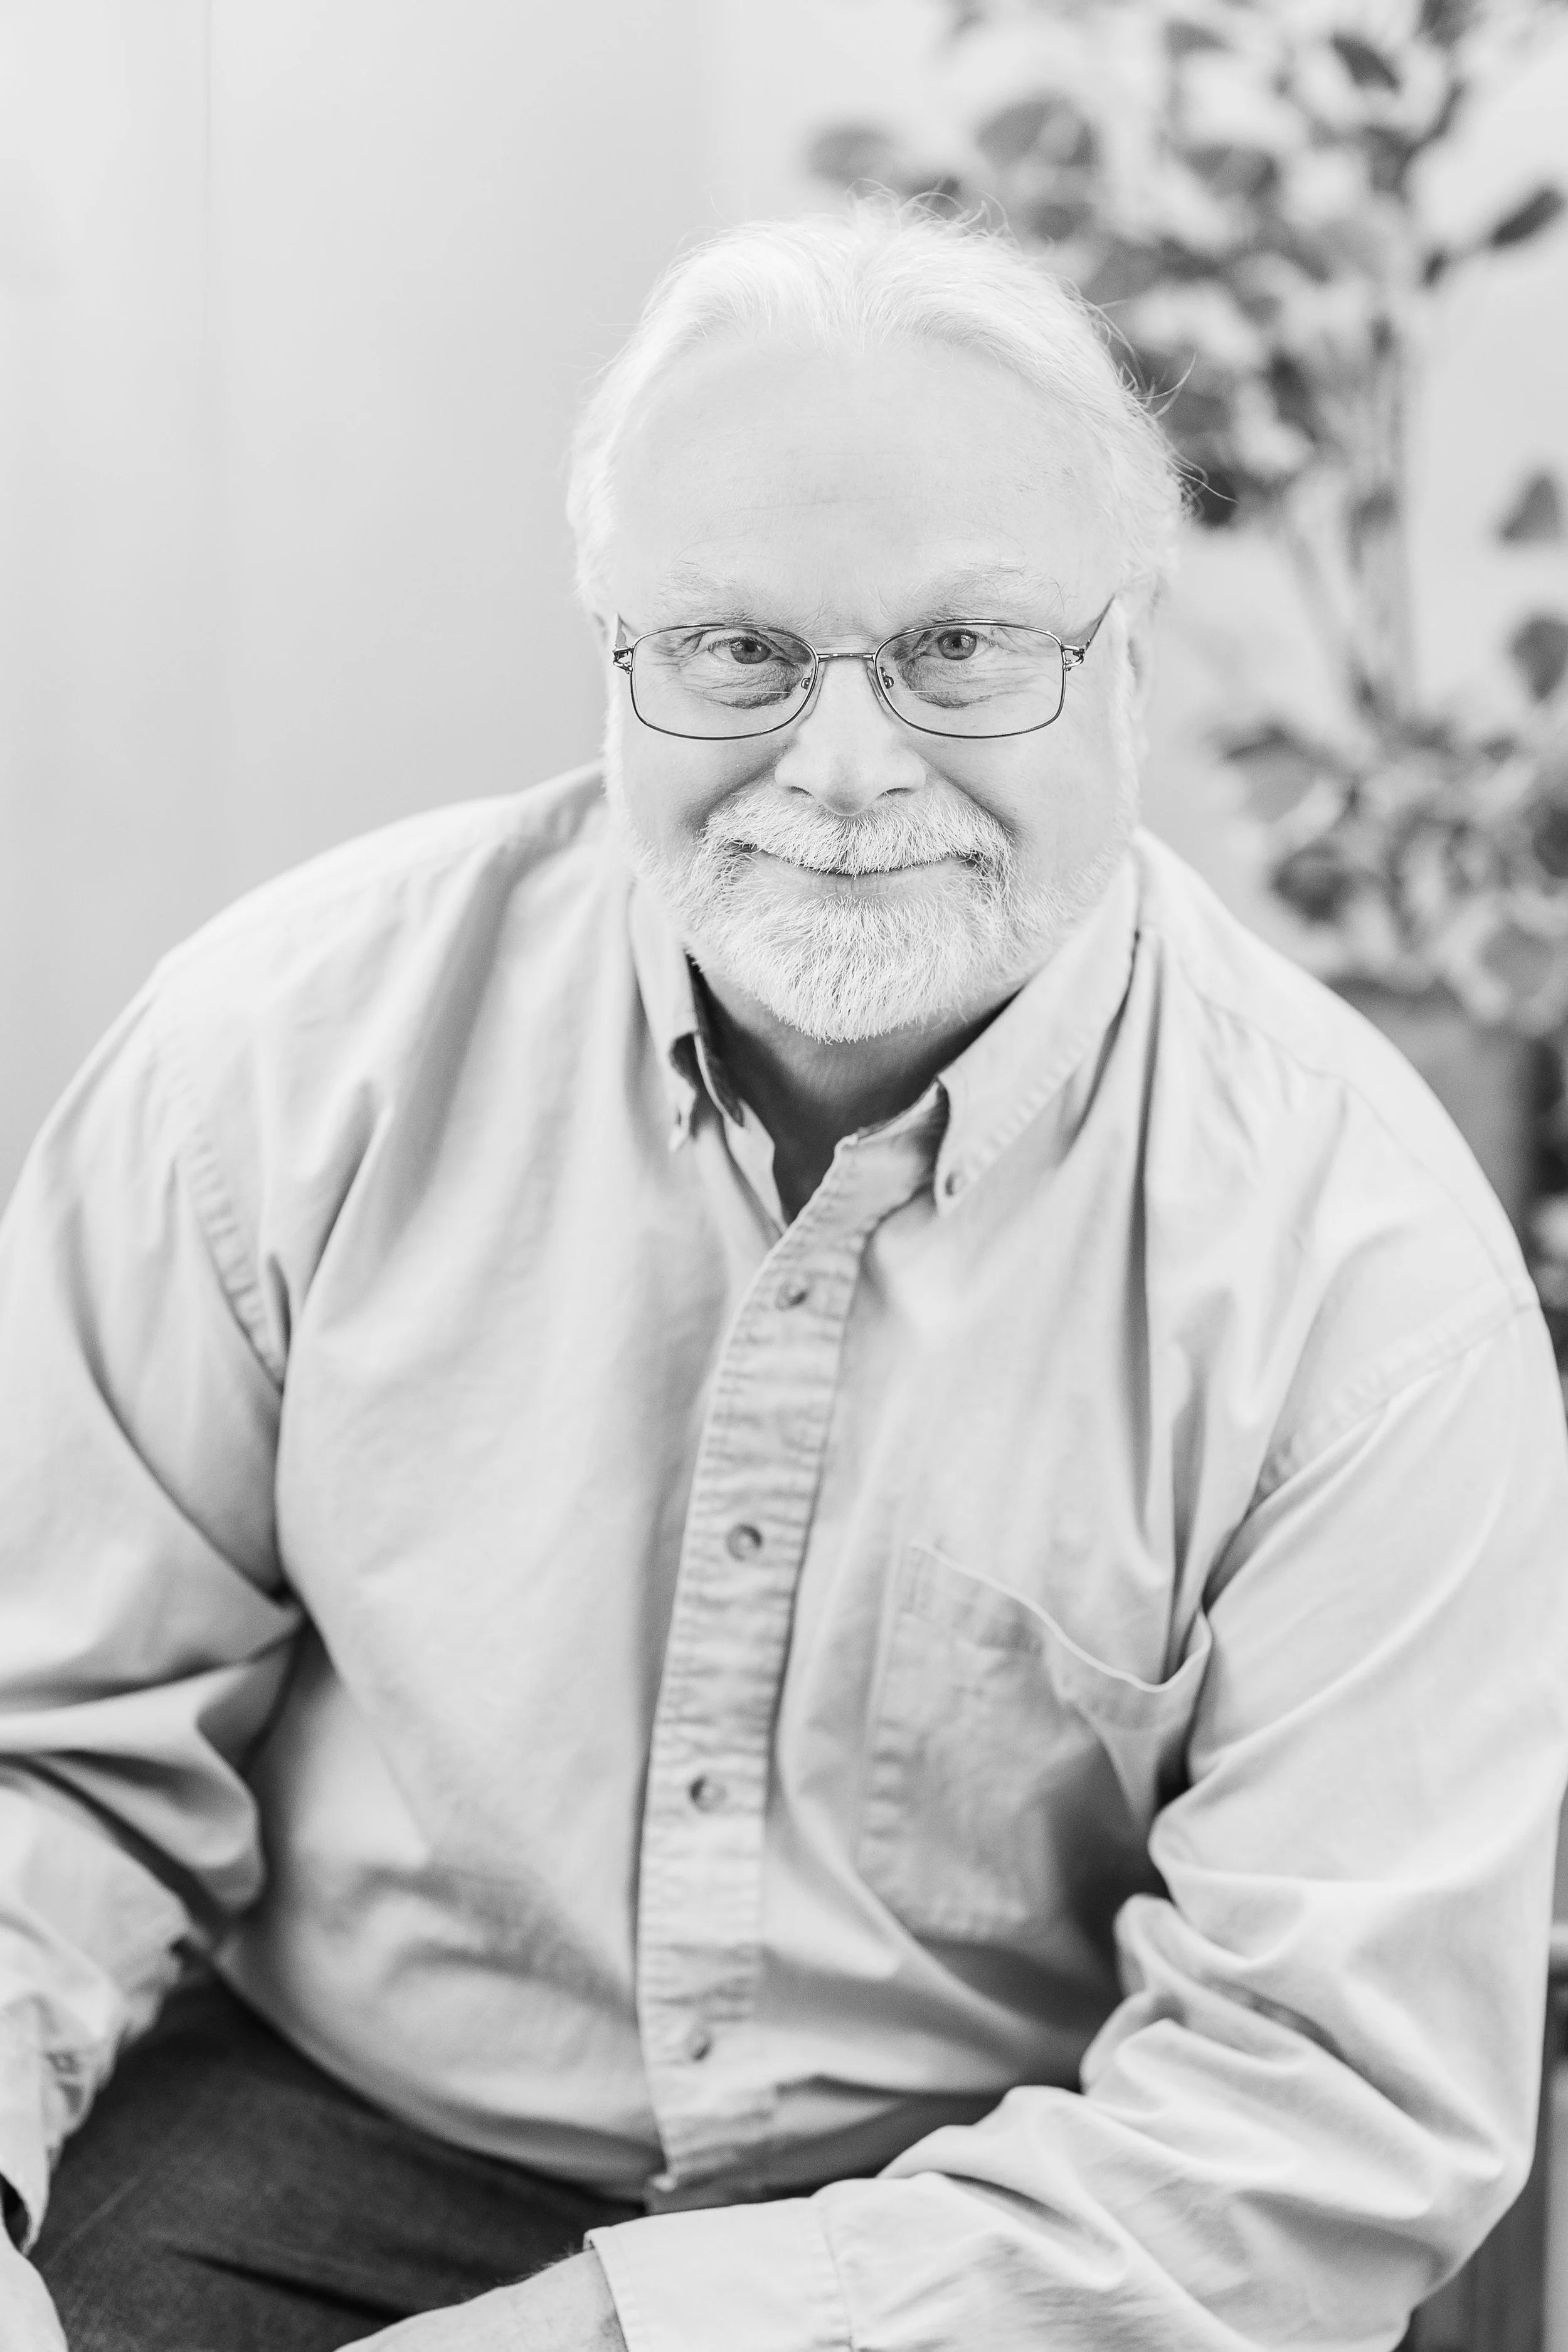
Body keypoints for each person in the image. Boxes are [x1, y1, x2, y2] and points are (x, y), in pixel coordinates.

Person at [1, 201, 1565, 2352]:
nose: (844, 772)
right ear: (612, 655)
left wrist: (626, 2335)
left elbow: (1323, 2098)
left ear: (1125, 667)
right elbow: (38, 1749)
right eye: (737, 649)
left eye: (960, 649)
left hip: (1001, 2226)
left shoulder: (1366, 1275)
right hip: (330, 2142)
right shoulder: (264, 1060)